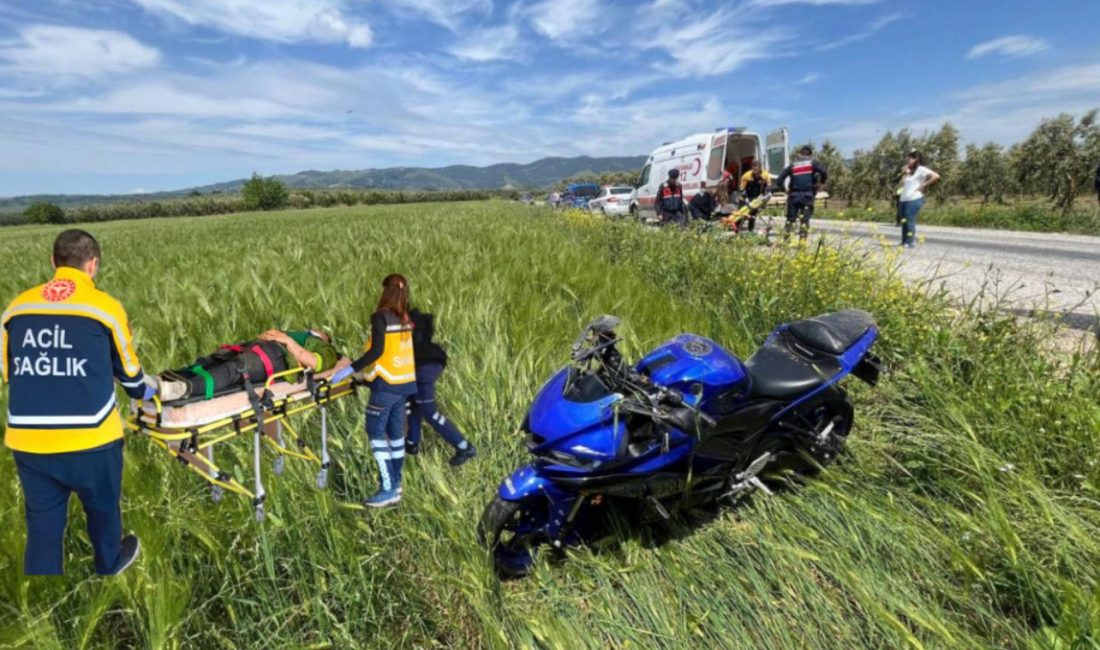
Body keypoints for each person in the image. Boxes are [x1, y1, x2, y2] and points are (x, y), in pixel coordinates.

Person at [2, 229, 144, 575]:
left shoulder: (17, 307)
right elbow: (130, 376)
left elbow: (8, 371)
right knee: (102, 507)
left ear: (53, 262)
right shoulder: (104, 307)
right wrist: (144, 392)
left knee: (43, 519)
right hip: (91, 438)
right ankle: (109, 562)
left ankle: (43, 582)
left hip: (28, 439)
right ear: (92, 265)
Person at [330, 274, 417, 508]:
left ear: (385, 293)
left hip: (385, 385)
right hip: (404, 384)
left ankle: (387, 488)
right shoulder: (406, 319)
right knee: (396, 436)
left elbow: (377, 351)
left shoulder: (381, 317)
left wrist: (351, 368)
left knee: (376, 433)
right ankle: (397, 487)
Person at [155, 329, 339, 402]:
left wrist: (287, 340)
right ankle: (167, 379)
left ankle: (184, 388)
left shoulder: (324, 346)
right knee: (213, 361)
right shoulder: (300, 333)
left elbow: (315, 362)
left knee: (235, 368)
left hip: (274, 358)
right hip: (257, 348)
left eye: (321, 332)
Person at [404, 304, 476, 466]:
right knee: (411, 402)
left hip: (423, 365)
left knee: (429, 412)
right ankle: (411, 443)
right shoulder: (406, 316)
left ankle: (464, 447)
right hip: (425, 362)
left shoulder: (403, 319)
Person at [776, 145, 828, 241]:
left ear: (799, 154)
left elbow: (779, 180)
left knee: (790, 220)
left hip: (794, 196)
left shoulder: (792, 165)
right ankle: (802, 245)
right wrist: (821, 183)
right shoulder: (813, 163)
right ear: (810, 155)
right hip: (807, 196)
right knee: (804, 221)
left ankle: (785, 243)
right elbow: (824, 172)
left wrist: (785, 190)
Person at [897, 150, 940, 248]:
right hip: (903, 199)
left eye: (910, 158)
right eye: (907, 158)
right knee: (903, 221)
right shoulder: (909, 171)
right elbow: (901, 184)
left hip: (914, 198)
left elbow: (936, 176)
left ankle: (910, 242)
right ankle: (904, 241)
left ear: (916, 159)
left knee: (909, 220)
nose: (907, 160)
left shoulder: (921, 169)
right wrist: (904, 173)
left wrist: (923, 185)